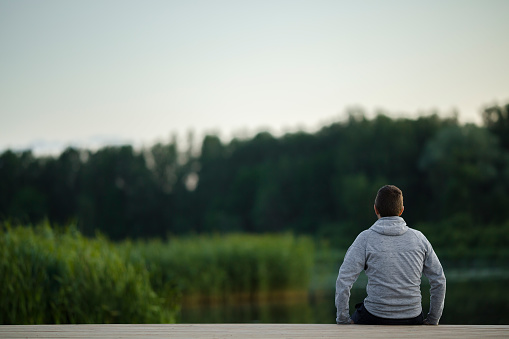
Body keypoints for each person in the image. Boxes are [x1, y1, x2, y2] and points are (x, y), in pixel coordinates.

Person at [335, 185, 446, 325]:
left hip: (374, 316)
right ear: (401, 210)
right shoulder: (419, 238)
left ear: (375, 209)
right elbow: (439, 280)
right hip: (413, 317)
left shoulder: (365, 239)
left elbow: (344, 279)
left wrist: (343, 320)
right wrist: (433, 319)